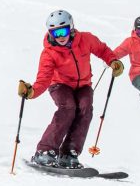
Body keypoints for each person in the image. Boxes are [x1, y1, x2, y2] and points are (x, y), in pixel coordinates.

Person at [18, 10, 125, 168]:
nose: (60, 36)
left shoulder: (86, 39)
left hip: (83, 85)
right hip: (59, 85)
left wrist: (113, 61)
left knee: (85, 109)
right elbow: (44, 78)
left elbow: (102, 50)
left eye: (63, 31)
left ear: (72, 28)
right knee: (68, 108)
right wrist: (32, 92)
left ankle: (69, 153)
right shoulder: (49, 53)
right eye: (55, 33)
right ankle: (45, 151)